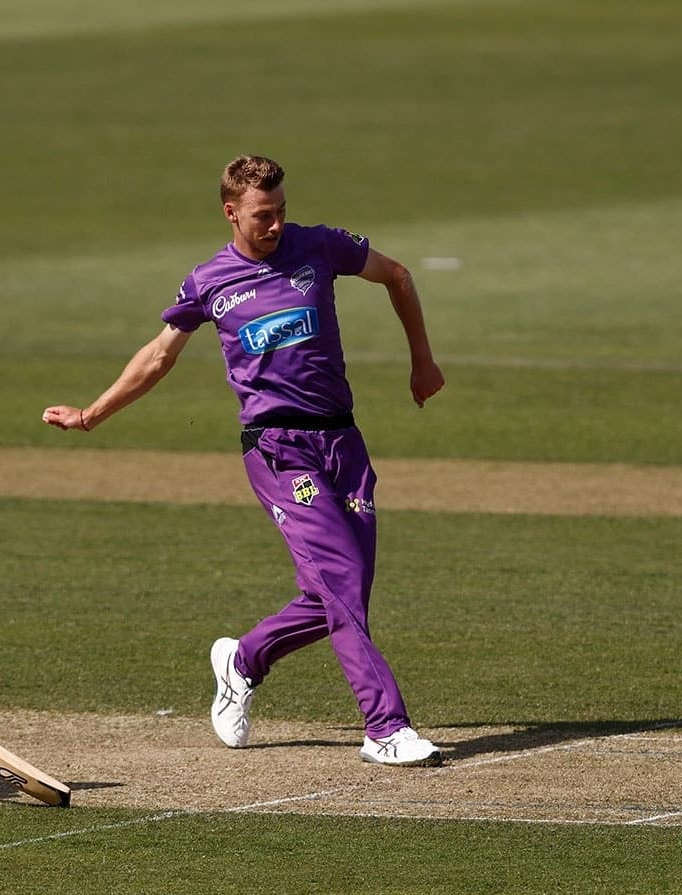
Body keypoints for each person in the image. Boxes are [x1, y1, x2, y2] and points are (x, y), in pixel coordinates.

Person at [43, 155, 446, 766]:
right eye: (263, 215)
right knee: (340, 579)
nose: (276, 224)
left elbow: (397, 274)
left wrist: (422, 359)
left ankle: (243, 659)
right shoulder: (210, 281)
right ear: (231, 212)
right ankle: (385, 727)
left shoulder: (319, 247)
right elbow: (159, 356)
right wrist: (91, 414)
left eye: (281, 210)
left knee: (341, 593)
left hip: (343, 443)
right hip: (278, 452)